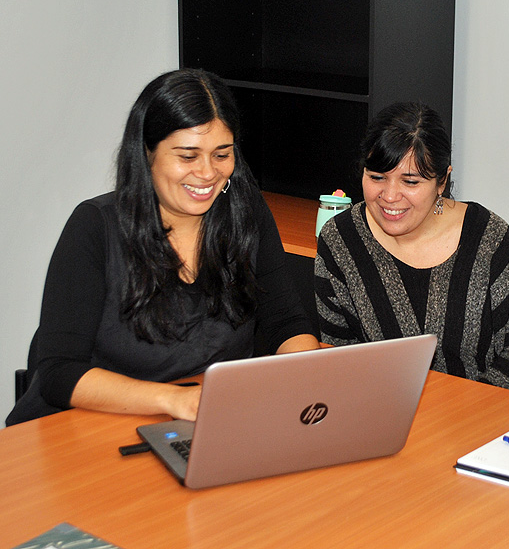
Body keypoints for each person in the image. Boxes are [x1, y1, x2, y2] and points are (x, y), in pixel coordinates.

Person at [7, 69, 319, 426]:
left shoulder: (246, 213)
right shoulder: (94, 226)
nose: (207, 173)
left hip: (201, 421)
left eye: (221, 155)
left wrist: (305, 384)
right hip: (87, 427)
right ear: (146, 153)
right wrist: (174, 400)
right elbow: (59, 373)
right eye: (187, 156)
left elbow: (286, 323)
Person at [315, 102, 509, 406]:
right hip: (391, 415)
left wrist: (457, 411)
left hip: (495, 412)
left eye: (411, 181)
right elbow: (339, 353)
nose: (390, 196)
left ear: (442, 181)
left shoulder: (487, 237)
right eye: (377, 177)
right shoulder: (341, 240)